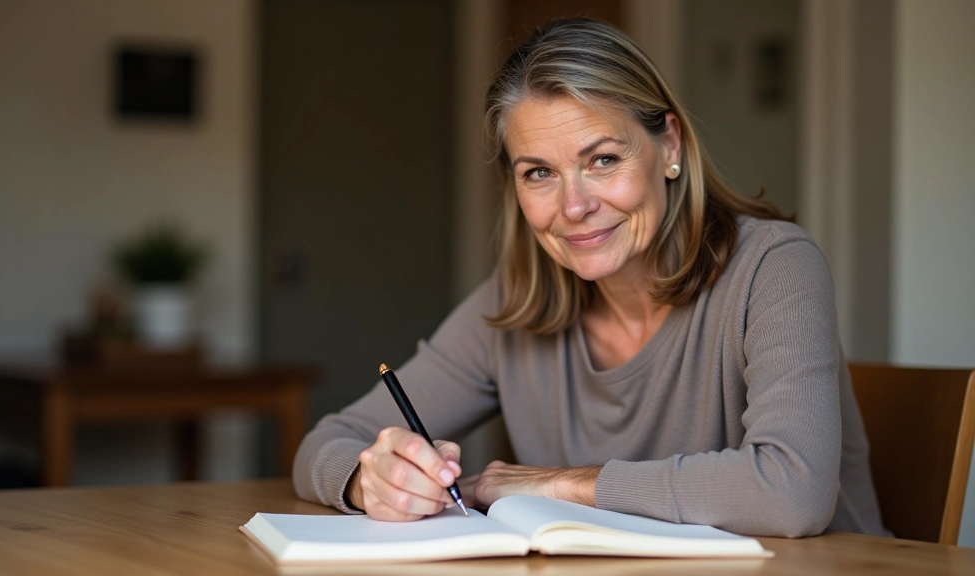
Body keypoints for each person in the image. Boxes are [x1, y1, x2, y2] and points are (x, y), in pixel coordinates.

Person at [292, 18, 886, 538]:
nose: (573, 207)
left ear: (669, 145)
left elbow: (793, 490)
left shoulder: (773, 268)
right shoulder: (515, 306)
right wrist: (370, 481)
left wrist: (562, 484)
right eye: (539, 173)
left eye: (602, 159)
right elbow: (326, 442)